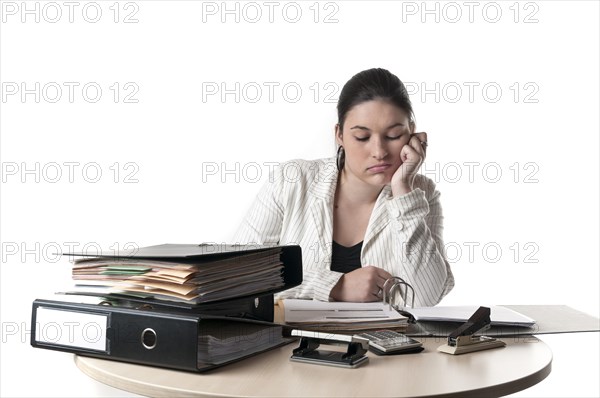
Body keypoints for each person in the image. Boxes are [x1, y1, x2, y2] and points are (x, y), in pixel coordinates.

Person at [232, 68, 454, 307]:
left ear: (411, 133)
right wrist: (335, 286)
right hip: (293, 342)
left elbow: (426, 299)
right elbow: (235, 276)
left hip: (385, 342)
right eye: (362, 137)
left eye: (393, 135)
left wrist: (402, 190)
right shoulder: (292, 180)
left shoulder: (420, 194)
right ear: (339, 135)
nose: (379, 152)